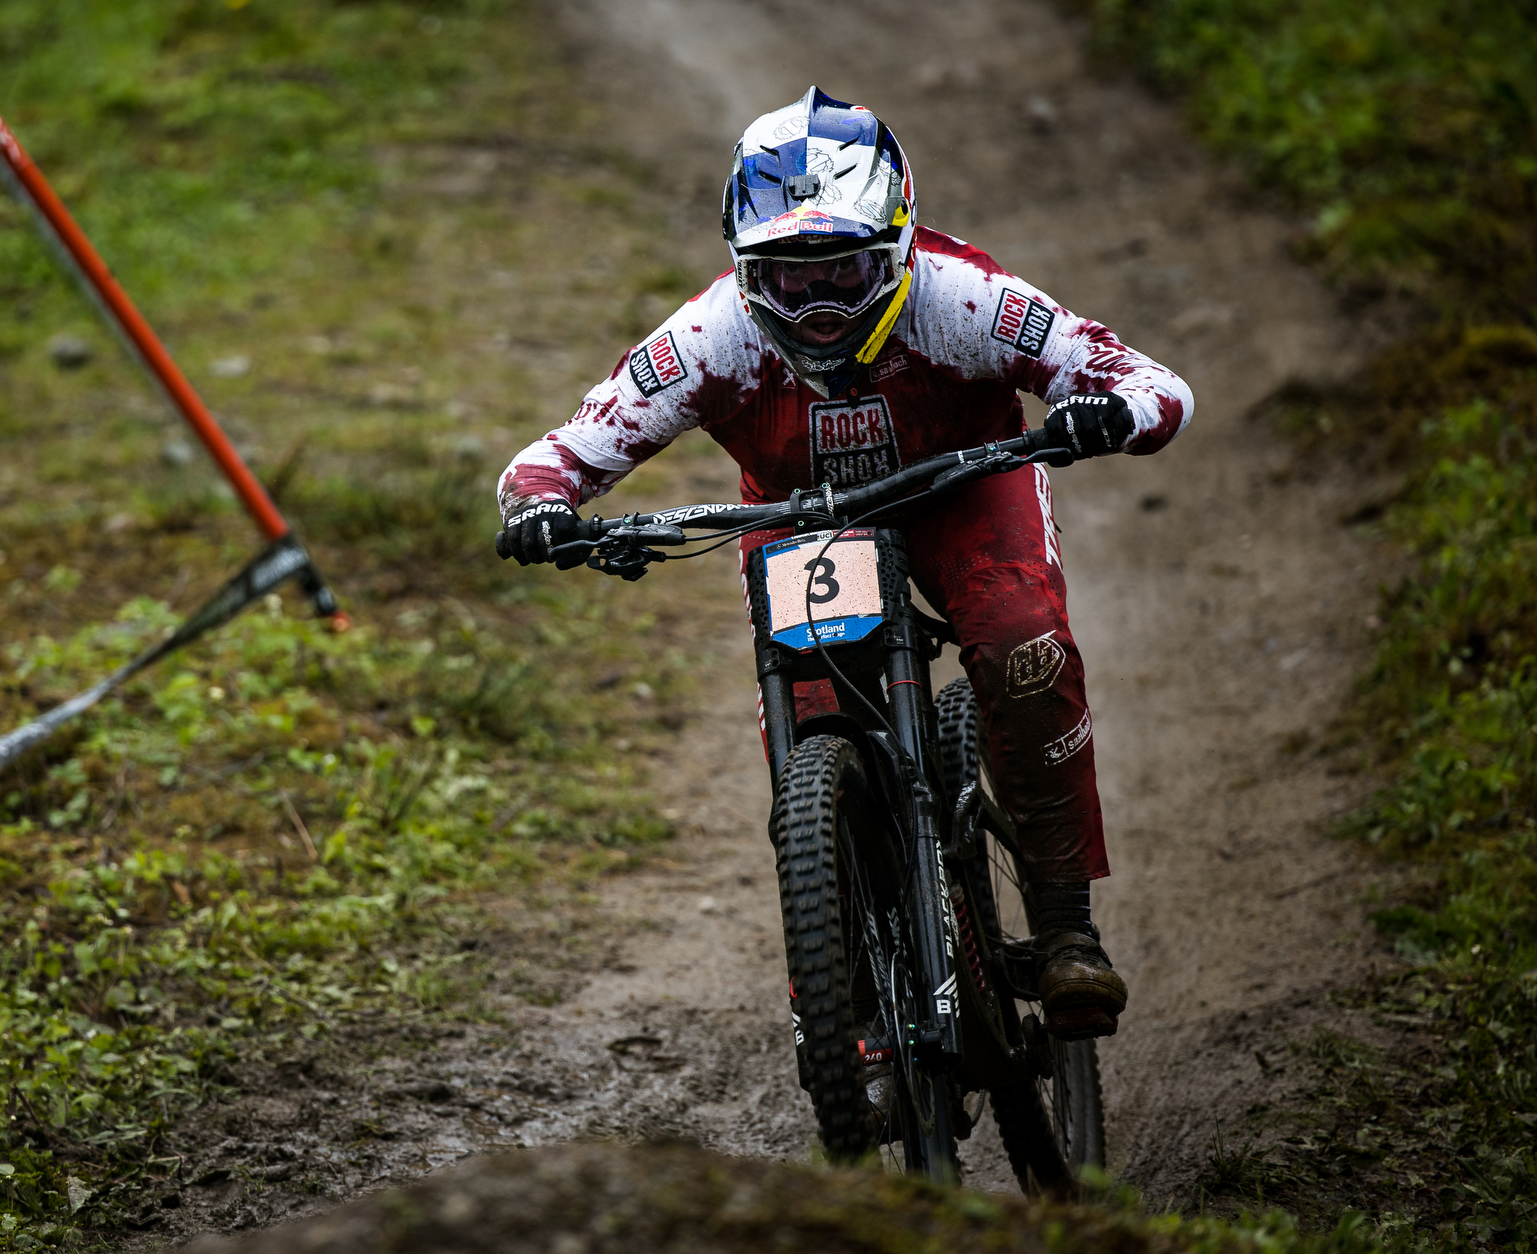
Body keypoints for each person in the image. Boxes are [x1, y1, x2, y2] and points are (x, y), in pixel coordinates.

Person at [493, 87, 1193, 1126]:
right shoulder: (711, 336)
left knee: (1019, 644)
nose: (818, 301)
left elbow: (1153, 383)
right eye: (787, 276)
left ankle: (1062, 926)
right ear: (743, 269)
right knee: (811, 730)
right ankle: (852, 1019)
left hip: (969, 486)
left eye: (846, 270)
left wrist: (1104, 411)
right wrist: (545, 509)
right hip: (805, 519)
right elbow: (549, 460)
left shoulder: (962, 299)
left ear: (900, 245)